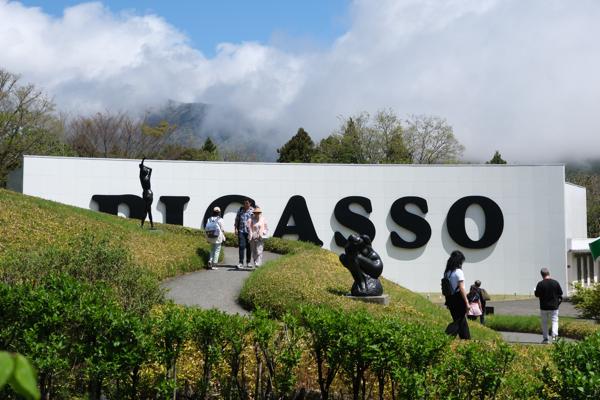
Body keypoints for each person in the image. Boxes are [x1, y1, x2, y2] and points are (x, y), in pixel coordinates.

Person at [443, 250, 470, 339]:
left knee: (461, 320)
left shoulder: (447, 273)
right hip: (459, 299)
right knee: (459, 320)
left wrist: (447, 301)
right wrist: (467, 303)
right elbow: (462, 288)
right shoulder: (458, 272)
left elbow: (447, 288)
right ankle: (447, 335)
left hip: (450, 299)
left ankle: (466, 339)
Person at [534, 267, 563, 343]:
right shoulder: (555, 283)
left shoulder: (540, 284)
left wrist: (535, 290)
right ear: (549, 273)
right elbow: (560, 293)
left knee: (544, 323)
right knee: (554, 322)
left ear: (542, 275)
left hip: (544, 307)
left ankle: (545, 339)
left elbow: (537, 295)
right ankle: (554, 339)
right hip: (554, 307)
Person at [234, 199, 254, 269]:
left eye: (247, 203)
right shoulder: (240, 210)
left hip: (249, 232)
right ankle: (241, 263)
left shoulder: (253, 211)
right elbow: (237, 220)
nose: (246, 204)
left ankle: (248, 262)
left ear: (250, 203)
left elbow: (255, 221)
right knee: (241, 246)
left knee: (249, 247)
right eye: (245, 203)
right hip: (241, 231)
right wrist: (235, 229)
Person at [139, 158, 154, 229]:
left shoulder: (142, 177)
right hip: (149, 194)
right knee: (148, 210)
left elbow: (148, 169)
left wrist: (143, 163)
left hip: (146, 194)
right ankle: (150, 225)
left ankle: (143, 225)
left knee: (147, 210)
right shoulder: (146, 177)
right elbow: (150, 169)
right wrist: (144, 165)